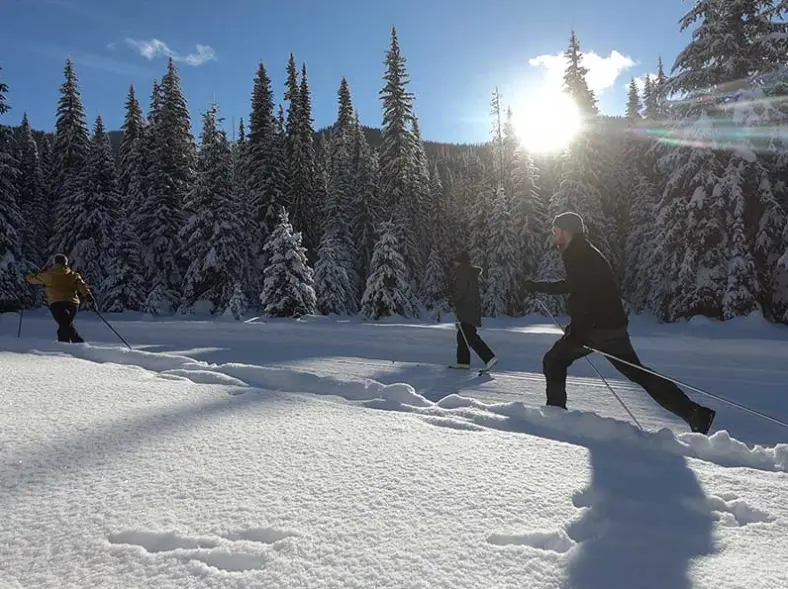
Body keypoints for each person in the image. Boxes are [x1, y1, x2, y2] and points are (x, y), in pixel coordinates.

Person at [524, 212, 716, 434]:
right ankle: (695, 413)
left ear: (566, 231)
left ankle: (556, 417)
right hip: (611, 327)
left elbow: (584, 296)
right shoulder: (584, 252)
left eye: (556, 231)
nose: (554, 235)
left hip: (596, 329)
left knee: (553, 361)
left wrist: (577, 333)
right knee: (638, 373)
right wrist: (539, 287)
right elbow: (574, 285)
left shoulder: (576, 254)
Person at [25, 254, 94, 343]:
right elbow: (83, 286)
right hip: (72, 304)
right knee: (65, 325)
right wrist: (89, 297)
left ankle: (74, 344)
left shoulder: (48, 274)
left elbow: (32, 280)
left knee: (64, 325)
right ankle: (72, 346)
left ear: (54, 262)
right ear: (66, 263)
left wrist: (28, 276)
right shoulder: (73, 275)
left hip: (56, 303)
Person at [451, 250, 498, 371]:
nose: (454, 263)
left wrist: (452, 299)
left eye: (455, 261)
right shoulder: (469, 273)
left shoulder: (463, 273)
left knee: (469, 336)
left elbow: (460, 292)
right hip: (471, 308)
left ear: (460, 262)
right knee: (462, 336)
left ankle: (489, 357)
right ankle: (463, 363)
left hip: (466, 308)